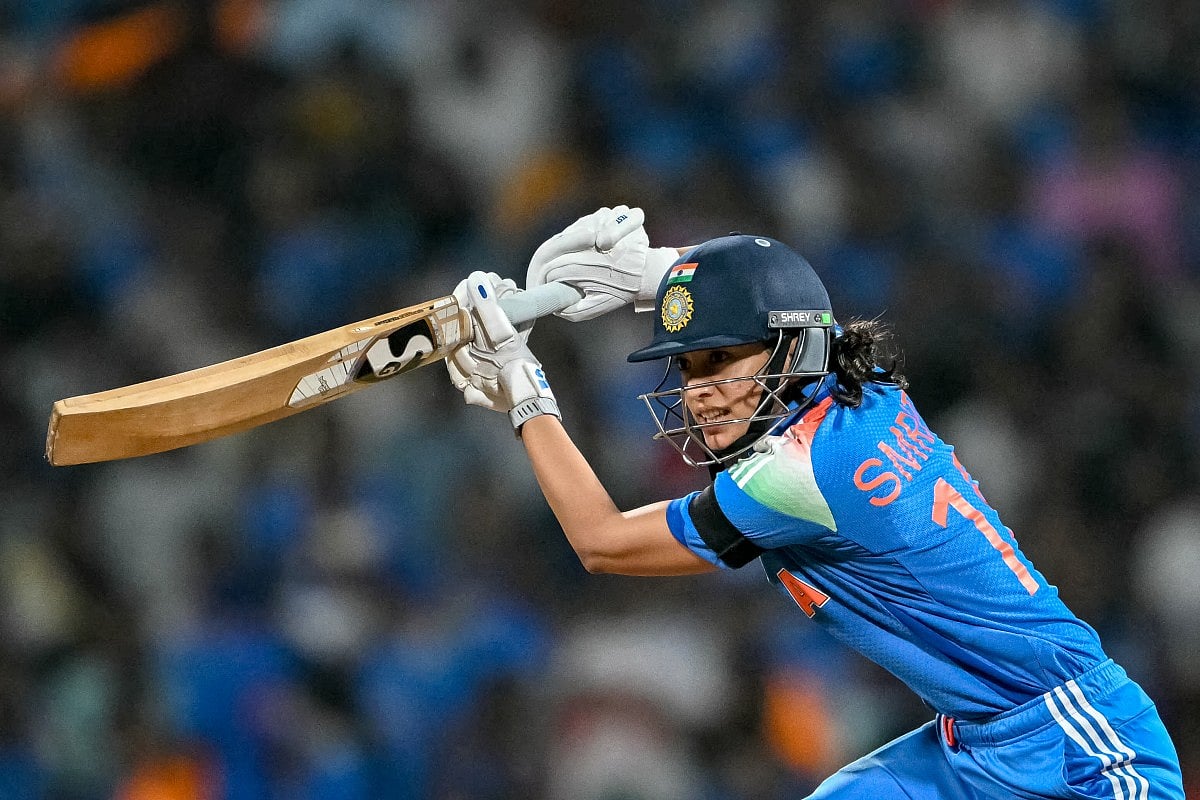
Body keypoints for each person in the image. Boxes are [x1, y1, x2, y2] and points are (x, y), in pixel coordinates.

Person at [445, 206, 1185, 799]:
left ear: (792, 353)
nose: (699, 392)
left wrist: (523, 386)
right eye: (690, 365)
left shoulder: (797, 472)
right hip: (978, 744)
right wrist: (662, 276)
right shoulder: (866, 390)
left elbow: (599, 540)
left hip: (1083, 752)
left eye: (718, 360)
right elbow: (797, 304)